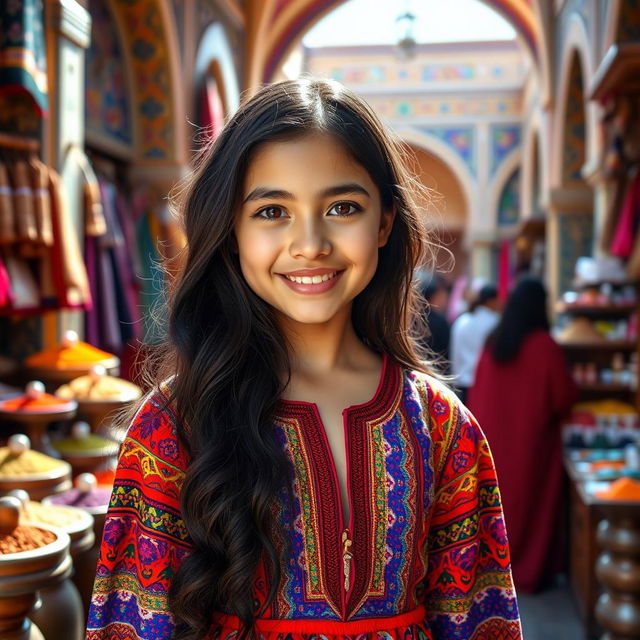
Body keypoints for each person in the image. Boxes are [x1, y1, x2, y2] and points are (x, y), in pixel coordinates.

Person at [86, 79, 522, 640]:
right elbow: (130, 623)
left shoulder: (442, 426)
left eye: (343, 207)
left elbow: (481, 622)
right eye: (272, 211)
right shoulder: (174, 424)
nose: (310, 243)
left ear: (384, 222)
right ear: (232, 231)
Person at [467, 277, 577, 593]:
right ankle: (526, 574)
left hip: (492, 442)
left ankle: (493, 573)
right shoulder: (544, 346)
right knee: (532, 509)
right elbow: (563, 397)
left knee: (497, 509)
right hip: (532, 446)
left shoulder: (495, 341)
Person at [450, 283, 500, 402]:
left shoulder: (461, 321)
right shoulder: (496, 321)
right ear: (491, 301)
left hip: (461, 382)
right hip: (484, 383)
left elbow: (454, 354)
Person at [417, 272, 450, 373]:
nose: (446, 298)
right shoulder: (439, 320)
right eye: (442, 294)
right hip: (436, 373)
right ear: (433, 296)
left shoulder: (413, 317)